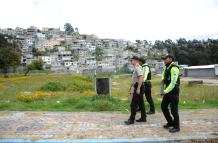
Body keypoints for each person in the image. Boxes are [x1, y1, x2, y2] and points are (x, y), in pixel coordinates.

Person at [161, 54, 180, 133]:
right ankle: (170, 122)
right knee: (163, 106)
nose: (164, 60)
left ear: (170, 59)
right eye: (164, 59)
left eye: (165, 59)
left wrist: (165, 91)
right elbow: (163, 77)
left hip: (173, 91)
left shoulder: (174, 68)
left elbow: (173, 82)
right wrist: (162, 87)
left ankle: (177, 126)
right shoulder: (166, 67)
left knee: (173, 110)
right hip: (168, 91)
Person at [124, 56, 147, 125]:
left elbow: (141, 78)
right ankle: (143, 117)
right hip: (137, 85)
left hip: (139, 86)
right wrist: (131, 86)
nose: (131, 61)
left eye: (132, 60)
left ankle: (131, 119)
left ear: (136, 60)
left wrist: (138, 88)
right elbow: (135, 79)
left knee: (133, 104)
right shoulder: (136, 67)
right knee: (141, 104)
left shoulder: (138, 67)